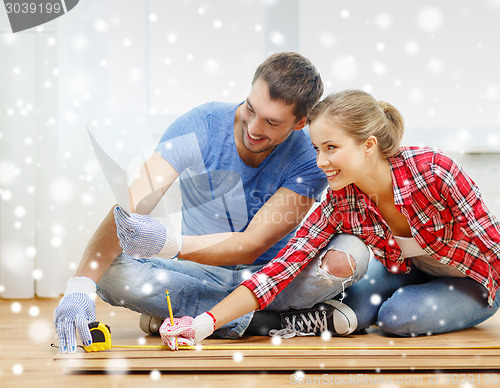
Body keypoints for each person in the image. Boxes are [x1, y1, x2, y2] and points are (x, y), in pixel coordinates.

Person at [159, 89, 500, 349]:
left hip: (472, 279)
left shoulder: (433, 171)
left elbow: (492, 244)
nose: (320, 161)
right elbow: (281, 270)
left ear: (368, 145)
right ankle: (287, 319)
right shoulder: (340, 200)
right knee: (352, 311)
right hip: (405, 273)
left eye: (331, 148)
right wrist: (202, 325)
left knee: (397, 319)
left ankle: (306, 318)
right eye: (316, 148)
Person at [53, 52, 347, 353]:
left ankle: (183, 314)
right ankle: (266, 322)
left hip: (269, 275)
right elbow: (130, 206)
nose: (255, 128)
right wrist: (81, 285)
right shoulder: (202, 125)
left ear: (300, 123)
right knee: (110, 274)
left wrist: (170, 244)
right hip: (199, 270)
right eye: (250, 108)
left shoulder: (310, 156)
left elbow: (252, 244)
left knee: (348, 261)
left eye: (272, 122)